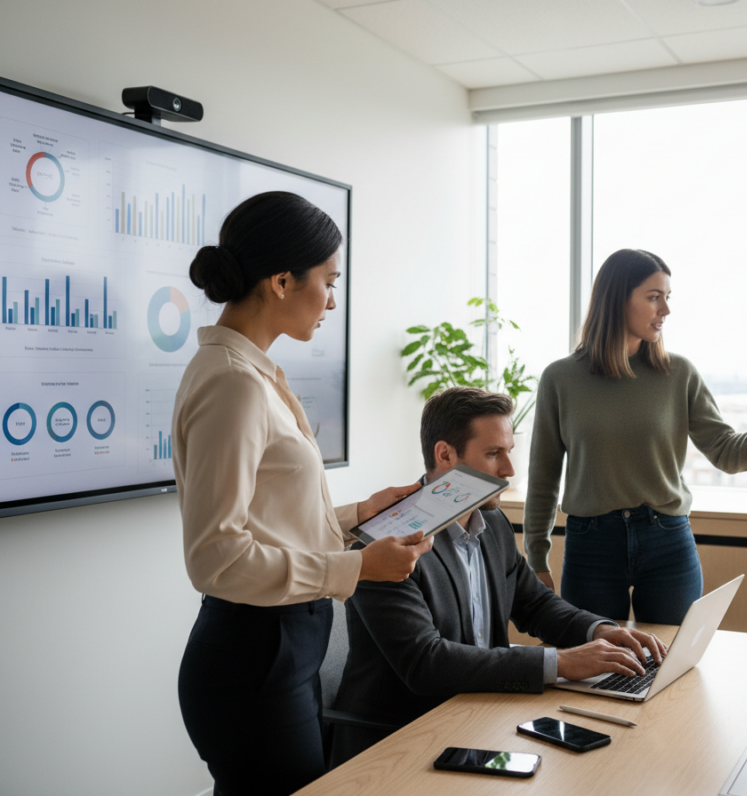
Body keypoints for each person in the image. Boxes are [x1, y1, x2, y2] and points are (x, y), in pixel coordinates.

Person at [173, 191, 434, 796]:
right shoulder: (235, 383)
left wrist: (356, 516)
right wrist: (357, 566)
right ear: (283, 281)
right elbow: (216, 556)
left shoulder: (251, 371)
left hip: (280, 650)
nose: (334, 299)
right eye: (329, 280)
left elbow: (266, 519)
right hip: (253, 658)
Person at [331, 386, 668, 764]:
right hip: (401, 740)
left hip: (481, 716)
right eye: (493, 454)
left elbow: (535, 604)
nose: (508, 471)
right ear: (445, 455)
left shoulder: (492, 522)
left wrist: (601, 631)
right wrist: (562, 663)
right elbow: (425, 663)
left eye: (508, 452)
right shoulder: (383, 546)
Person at [524, 248, 747, 625]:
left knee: (672, 666)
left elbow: (727, 453)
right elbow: (544, 476)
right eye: (653, 297)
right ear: (616, 299)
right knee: (595, 667)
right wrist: (536, 557)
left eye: (667, 298)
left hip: (666, 540)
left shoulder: (678, 374)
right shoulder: (560, 379)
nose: (665, 310)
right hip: (591, 545)